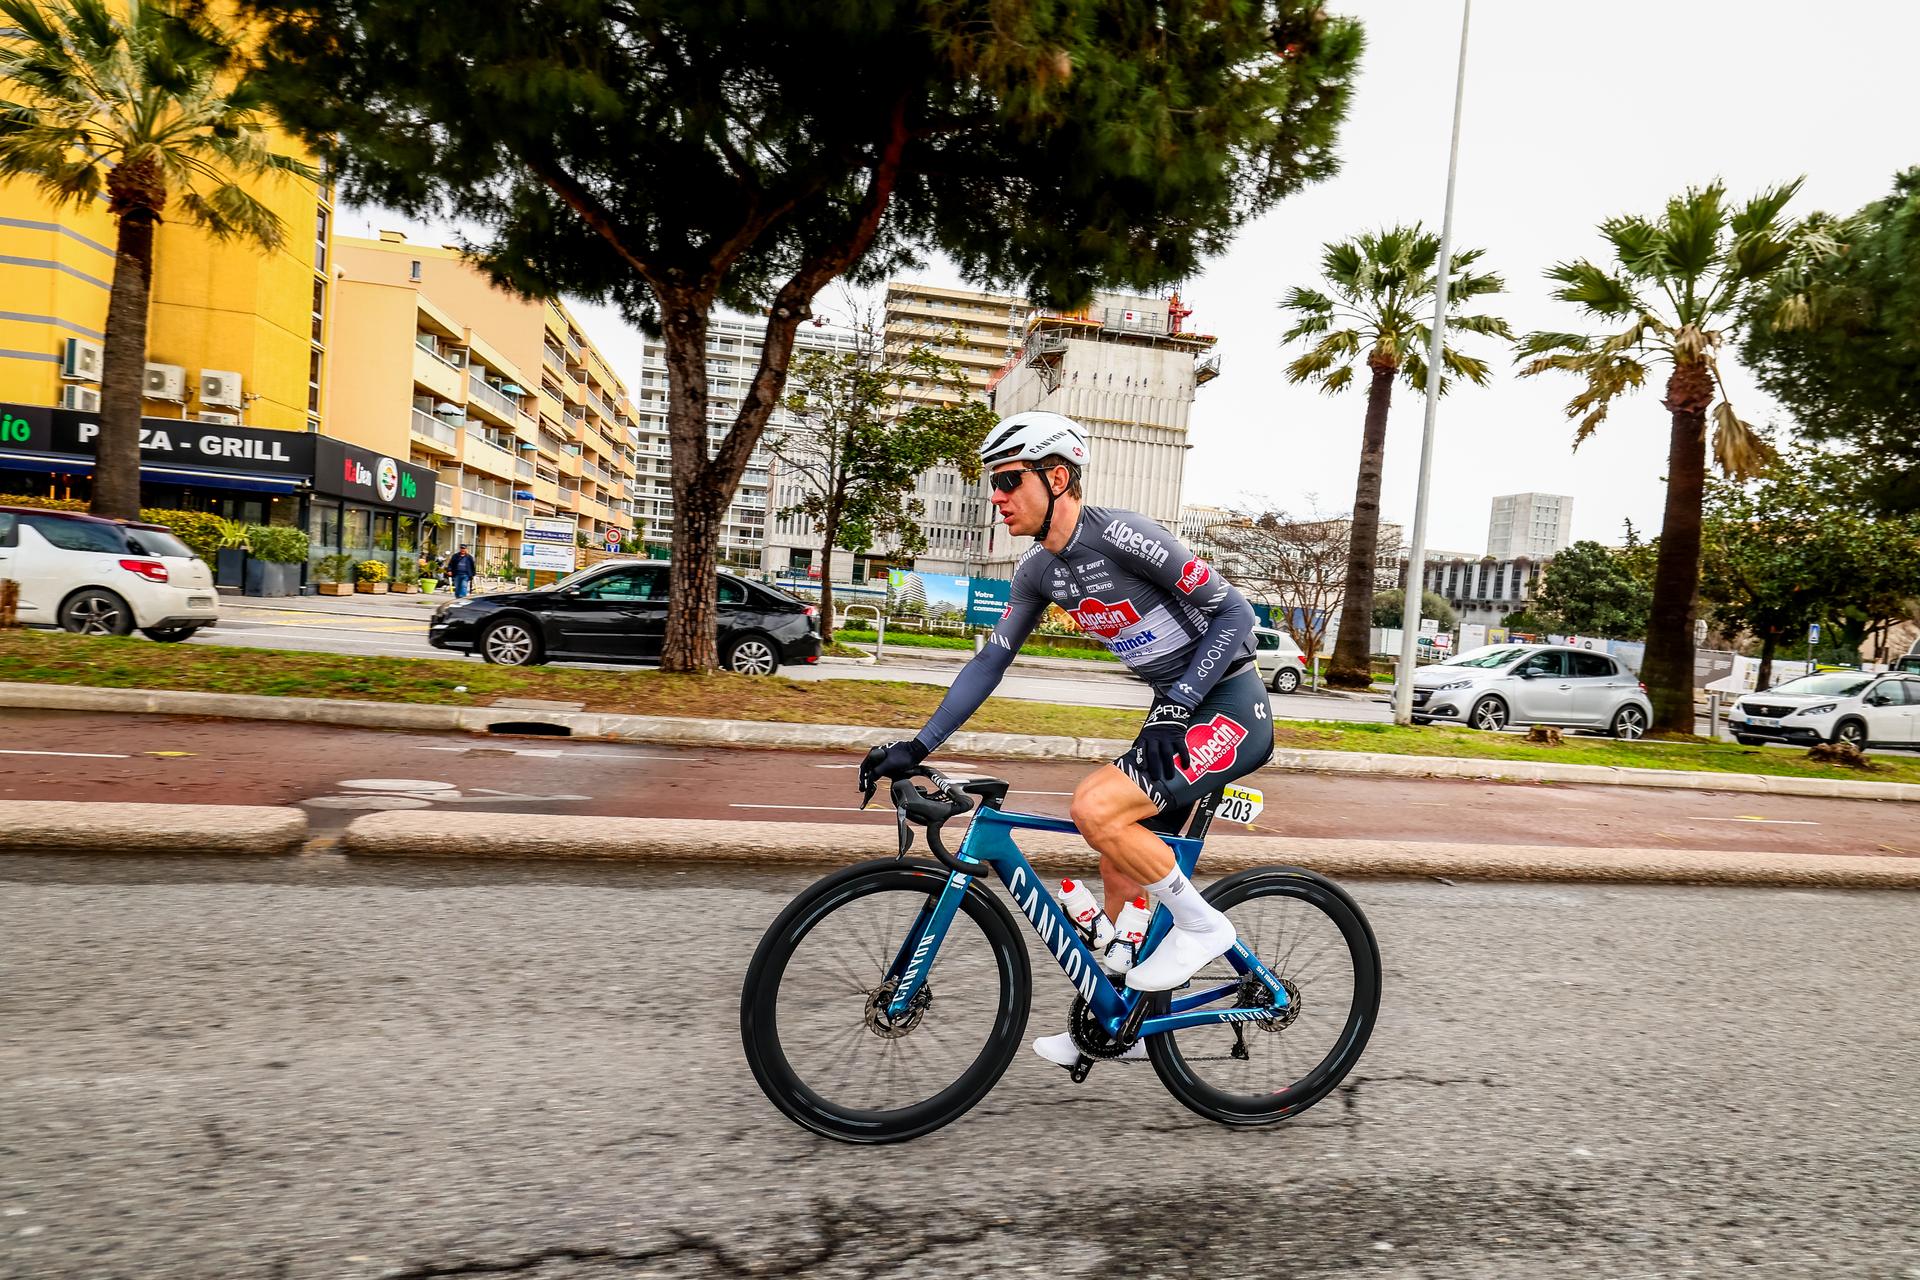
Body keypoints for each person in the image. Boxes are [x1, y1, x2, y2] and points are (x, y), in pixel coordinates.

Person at [859, 410, 1273, 1069]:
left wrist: (1184, 701)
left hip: (1227, 702)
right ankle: (1125, 1025)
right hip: (1175, 712)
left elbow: (1235, 612)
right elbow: (989, 662)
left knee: (1094, 808)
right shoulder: (1039, 572)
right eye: (992, 483)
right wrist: (918, 745)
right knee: (1117, 857)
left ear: (1057, 478)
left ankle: (1204, 928)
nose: (997, 496)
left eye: (1009, 480)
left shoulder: (1124, 536)